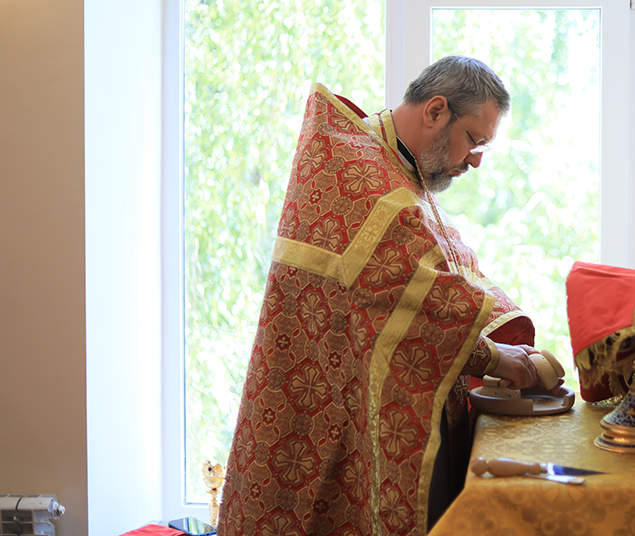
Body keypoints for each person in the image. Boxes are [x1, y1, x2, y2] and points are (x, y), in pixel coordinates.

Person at [217, 56, 540, 536]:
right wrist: (493, 356)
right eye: (474, 140)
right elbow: (415, 300)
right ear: (435, 111)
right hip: (322, 409)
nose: (476, 160)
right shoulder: (359, 171)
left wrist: (505, 337)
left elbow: (453, 270)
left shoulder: (398, 169)